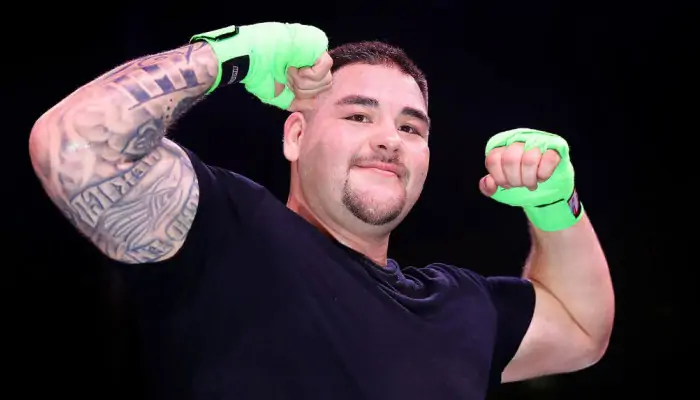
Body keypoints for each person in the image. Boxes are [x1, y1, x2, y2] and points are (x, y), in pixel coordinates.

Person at [28, 22, 614, 400]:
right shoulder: (227, 230)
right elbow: (72, 147)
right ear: (295, 136)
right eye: (358, 115)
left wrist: (555, 205)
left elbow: (582, 328)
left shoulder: (457, 306)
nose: (389, 139)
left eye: (411, 128)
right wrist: (225, 55)